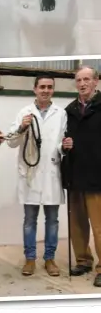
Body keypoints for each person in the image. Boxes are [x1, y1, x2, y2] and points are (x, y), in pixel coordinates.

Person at [7, 74, 67, 277]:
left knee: (52, 220)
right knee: (29, 220)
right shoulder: (24, 112)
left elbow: (60, 142)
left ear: (53, 90)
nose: (46, 90)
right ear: (35, 89)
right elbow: (11, 142)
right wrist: (22, 127)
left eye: (49, 87)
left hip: (51, 173)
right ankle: (30, 259)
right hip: (30, 173)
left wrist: (65, 147)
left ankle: (49, 259)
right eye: (42, 86)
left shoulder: (61, 113)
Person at [62, 65, 101, 286]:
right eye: (79, 80)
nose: (83, 84)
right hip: (75, 175)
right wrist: (64, 145)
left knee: (99, 227)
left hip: (97, 177)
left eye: (87, 79)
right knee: (77, 225)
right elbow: (64, 139)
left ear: (96, 82)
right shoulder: (69, 110)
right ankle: (83, 260)